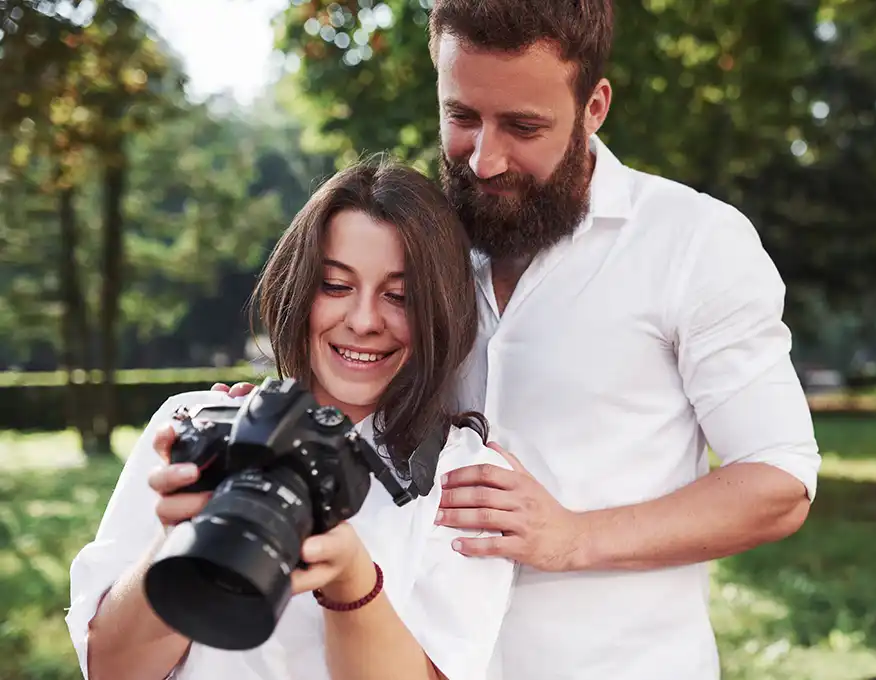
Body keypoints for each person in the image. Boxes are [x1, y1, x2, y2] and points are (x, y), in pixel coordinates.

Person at [221, 0, 822, 677]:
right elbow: (363, 376)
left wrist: (572, 538)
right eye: (462, 117)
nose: (484, 160)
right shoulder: (421, 242)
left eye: (523, 126)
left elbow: (778, 481)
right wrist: (281, 413)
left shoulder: (694, 242)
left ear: (594, 107)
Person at [66, 157, 515, 680]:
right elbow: (111, 669)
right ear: (298, 287)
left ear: (441, 309)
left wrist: (352, 580)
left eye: (400, 296)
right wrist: (181, 537)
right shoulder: (199, 426)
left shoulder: (464, 479)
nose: (364, 321)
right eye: (336, 286)